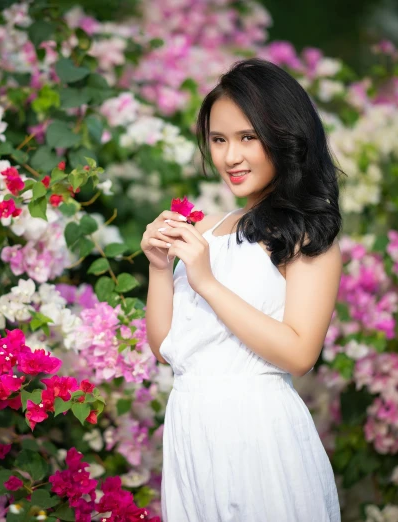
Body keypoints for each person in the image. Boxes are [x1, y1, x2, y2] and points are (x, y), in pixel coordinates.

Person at [142, 58, 343, 522]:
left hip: (256, 430)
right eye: (219, 139)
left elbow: (299, 352)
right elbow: (165, 348)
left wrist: (207, 283)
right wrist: (158, 268)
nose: (230, 156)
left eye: (247, 138)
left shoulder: (307, 237)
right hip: (190, 427)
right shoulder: (208, 230)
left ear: (285, 137)